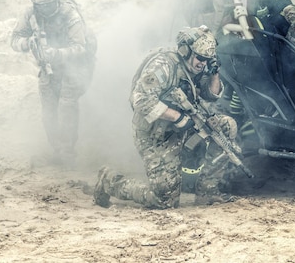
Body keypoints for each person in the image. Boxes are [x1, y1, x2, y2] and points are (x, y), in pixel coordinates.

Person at [93, 25, 238, 209]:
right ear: (186, 51)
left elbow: (211, 95)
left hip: (184, 126)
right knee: (164, 201)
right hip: (156, 136)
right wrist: (178, 118)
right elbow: (141, 100)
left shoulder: (198, 67)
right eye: (200, 58)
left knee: (226, 126)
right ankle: (110, 181)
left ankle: (207, 192)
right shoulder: (163, 65)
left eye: (208, 59)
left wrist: (214, 73)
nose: (203, 63)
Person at [11, 0, 96, 163]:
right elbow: (14, 40)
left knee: (67, 103)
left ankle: (67, 152)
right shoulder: (30, 15)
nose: (46, 9)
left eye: (50, 5)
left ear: (57, 2)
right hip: (49, 66)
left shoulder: (69, 14)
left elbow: (80, 48)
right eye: (41, 6)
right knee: (49, 108)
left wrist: (56, 53)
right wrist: (28, 43)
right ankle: (56, 148)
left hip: (76, 64)